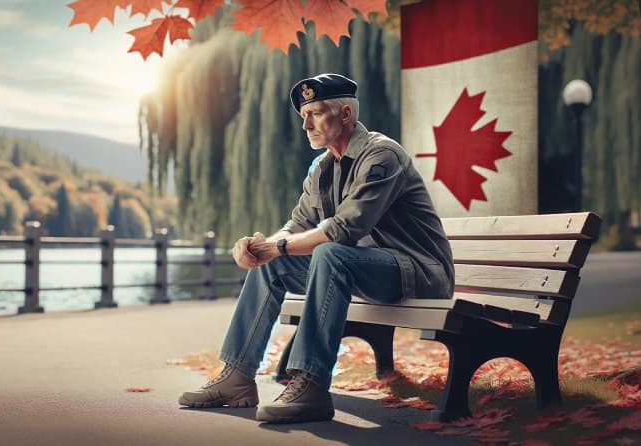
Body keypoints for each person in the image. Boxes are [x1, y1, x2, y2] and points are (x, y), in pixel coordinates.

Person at [178, 73, 454, 424]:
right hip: (365, 268)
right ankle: (237, 376)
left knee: (329, 252)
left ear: (345, 116)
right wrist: (259, 248)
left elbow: (345, 228)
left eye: (317, 113)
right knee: (274, 263)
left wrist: (279, 245)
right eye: (303, 115)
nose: (306, 124)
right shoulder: (323, 168)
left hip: (418, 272)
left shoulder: (381, 155)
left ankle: (310, 385)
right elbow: (297, 226)